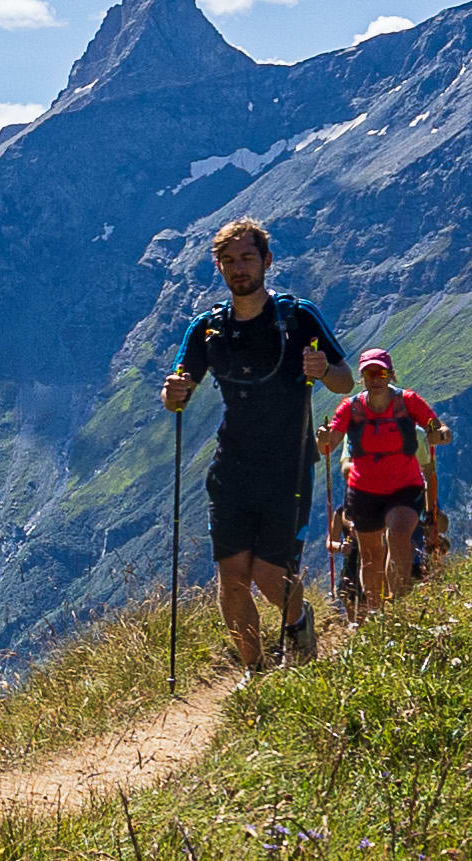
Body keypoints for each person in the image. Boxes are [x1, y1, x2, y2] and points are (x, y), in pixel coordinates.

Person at [170, 217, 343, 670]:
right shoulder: (207, 329)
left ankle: (298, 620)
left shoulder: (297, 316)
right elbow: (179, 387)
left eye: (247, 257)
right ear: (219, 269)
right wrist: (174, 394)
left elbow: (345, 380)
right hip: (232, 470)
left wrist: (323, 369)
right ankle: (255, 671)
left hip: (288, 468)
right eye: (228, 261)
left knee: (269, 577)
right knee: (232, 579)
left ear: (267, 261)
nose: (238, 268)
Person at [332, 347, 453, 613]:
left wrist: (439, 436)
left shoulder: (409, 405)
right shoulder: (351, 410)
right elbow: (333, 443)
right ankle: (377, 611)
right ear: (362, 377)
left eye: (381, 372)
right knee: (371, 555)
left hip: (403, 488)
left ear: (390, 374)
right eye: (369, 373)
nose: (375, 378)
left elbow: (437, 430)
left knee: (398, 537)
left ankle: (398, 607)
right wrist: (324, 440)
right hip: (365, 492)